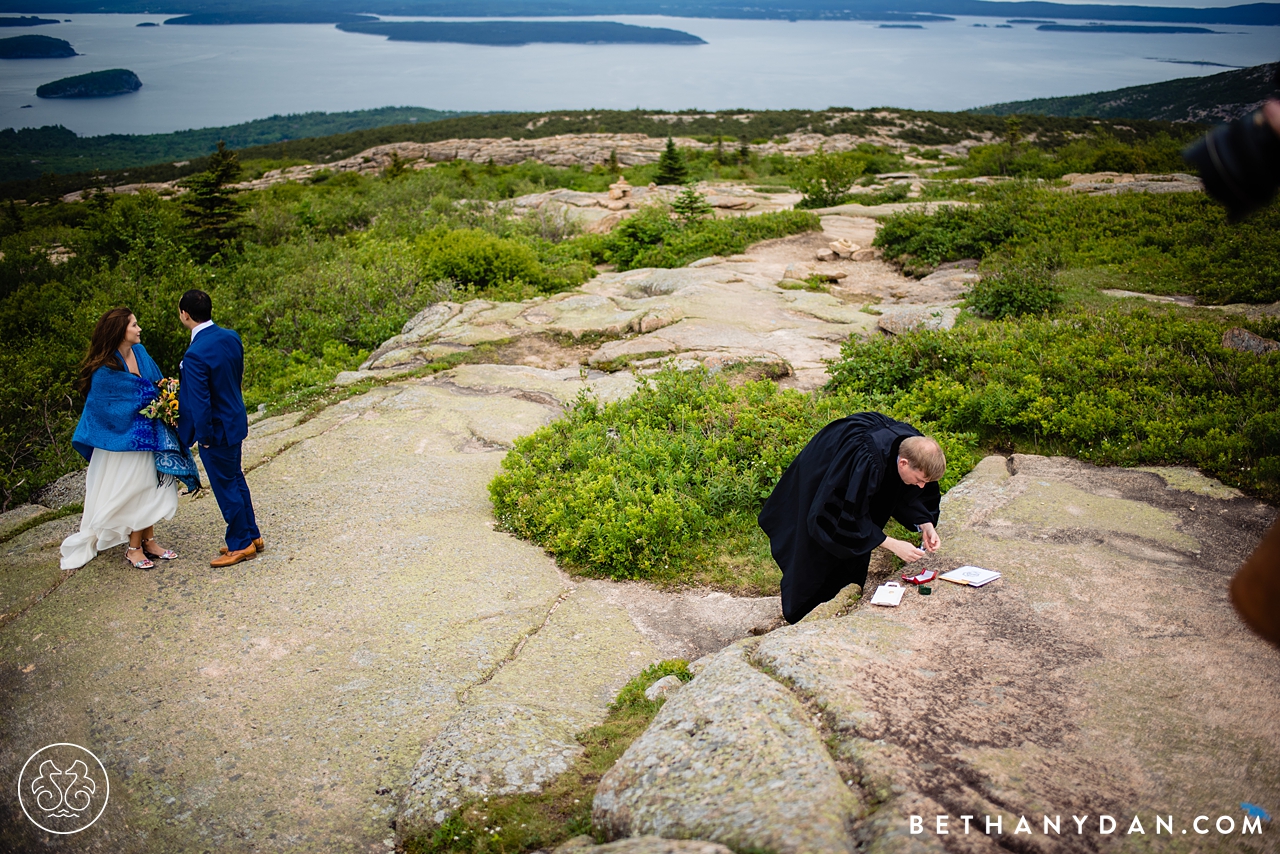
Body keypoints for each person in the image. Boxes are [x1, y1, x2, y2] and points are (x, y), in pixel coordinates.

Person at [758, 411, 946, 624]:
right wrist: (892, 544)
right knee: (815, 556)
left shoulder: (914, 449)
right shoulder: (866, 458)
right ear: (903, 463)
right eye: (919, 479)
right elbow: (839, 514)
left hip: (856, 478)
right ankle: (804, 619)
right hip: (825, 482)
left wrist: (926, 524)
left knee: (854, 558)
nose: (922, 486)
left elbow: (906, 491)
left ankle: (842, 607)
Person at [61, 308, 200, 571]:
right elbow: (107, 409)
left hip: (148, 435)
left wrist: (166, 401)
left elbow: (156, 384)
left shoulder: (141, 353)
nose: (139, 329)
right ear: (119, 332)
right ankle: (133, 549)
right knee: (138, 490)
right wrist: (150, 399)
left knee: (152, 486)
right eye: (134, 325)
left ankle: (148, 541)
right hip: (123, 442)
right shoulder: (105, 370)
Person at [177, 289, 263, 568]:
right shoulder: (231, 337)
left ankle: (241, 544)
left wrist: (202, 437)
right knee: (236, 479)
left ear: (185, 315)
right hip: (234, 418)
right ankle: (252, 535)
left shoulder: (195, 354)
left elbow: (200, 402)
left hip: (216, 429)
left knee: (226, 486)